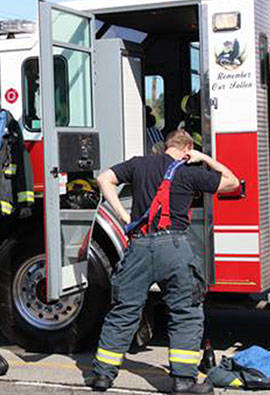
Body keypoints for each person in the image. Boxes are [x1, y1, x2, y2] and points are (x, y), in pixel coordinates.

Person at [90, 129, 239, 394]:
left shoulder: (139, 163)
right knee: (185, 312)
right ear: (187, 148)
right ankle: (182, 380)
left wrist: (125, 217)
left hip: (139, 247)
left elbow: (104, 179)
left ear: (166, 146)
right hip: (175, 248)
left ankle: (102, 376)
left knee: (124, 311)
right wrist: (203, 157)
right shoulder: (190, 171)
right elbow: (233, 182)